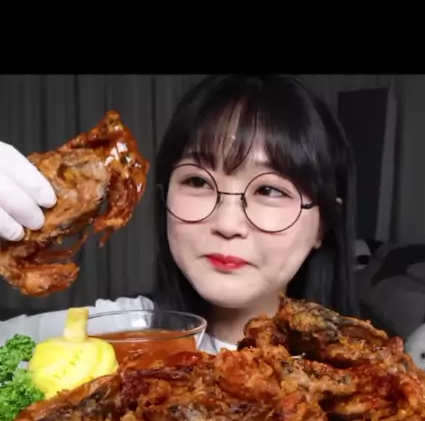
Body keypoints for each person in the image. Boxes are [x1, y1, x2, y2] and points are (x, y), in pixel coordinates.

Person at [0, 74, 358, 353]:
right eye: (198, 181)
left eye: (269, 190)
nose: (228, 224)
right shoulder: (111, 331)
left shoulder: (372, 379)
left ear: (323, 223)